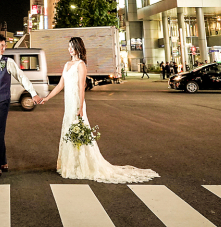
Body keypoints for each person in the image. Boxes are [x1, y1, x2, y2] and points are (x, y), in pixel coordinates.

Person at [41, 37, 158, 183]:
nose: (70, 49)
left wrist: (80, 107)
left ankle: (81, 164)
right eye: (69, 46)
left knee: (78, 132)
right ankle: (70, 164)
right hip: (68, 104)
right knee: (69, 131)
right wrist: (47, 98)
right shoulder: (67, 65)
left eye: (72, 46)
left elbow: (81, 87)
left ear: (78, 47)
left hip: (76, 103)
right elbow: (60, 85)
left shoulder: (81, 65)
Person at [0, 35, 43, 181]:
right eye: (1, 45)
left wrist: (33, 93)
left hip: (3, 102)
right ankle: (3, 162)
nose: (4, 48)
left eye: (5, 45)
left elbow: (22, 77)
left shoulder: (9, 62)